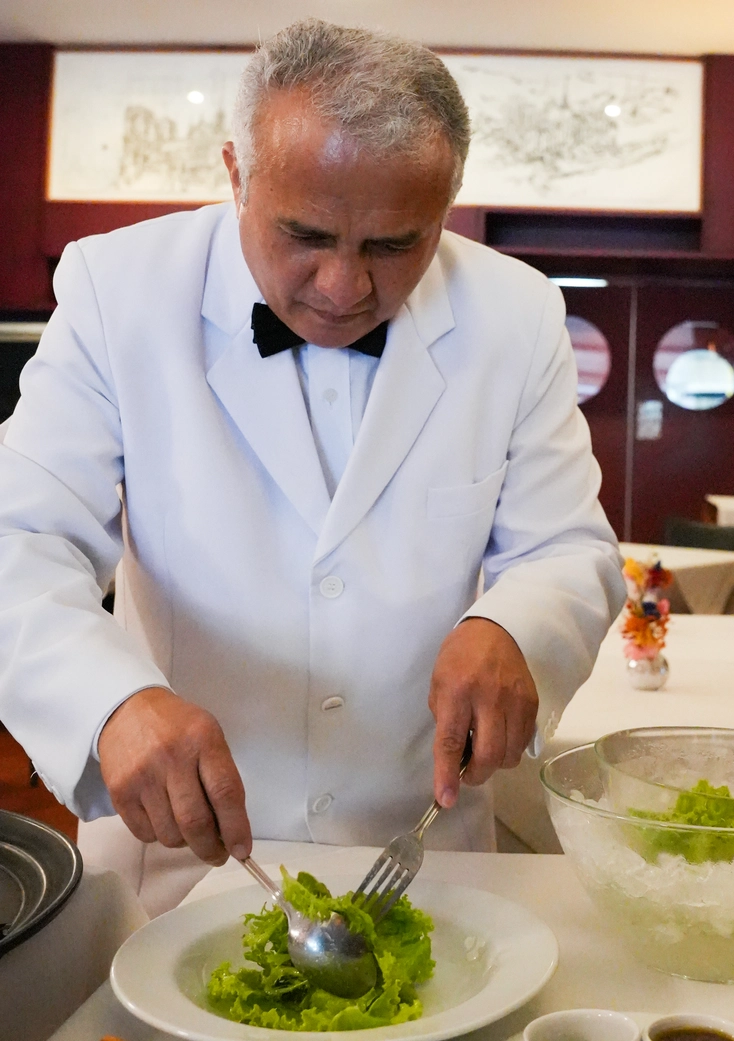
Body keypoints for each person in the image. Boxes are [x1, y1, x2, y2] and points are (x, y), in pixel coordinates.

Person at [0, 20, 624, 913]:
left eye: (394, 245)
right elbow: (20, 537)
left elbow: (566, 548)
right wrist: (108, 703)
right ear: (235, 175)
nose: (342, 287)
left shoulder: (516, 315)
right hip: (175, 854)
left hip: (419, 850)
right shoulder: (117, 290)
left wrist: (515, 626)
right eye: (305, 235)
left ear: (447, 204)